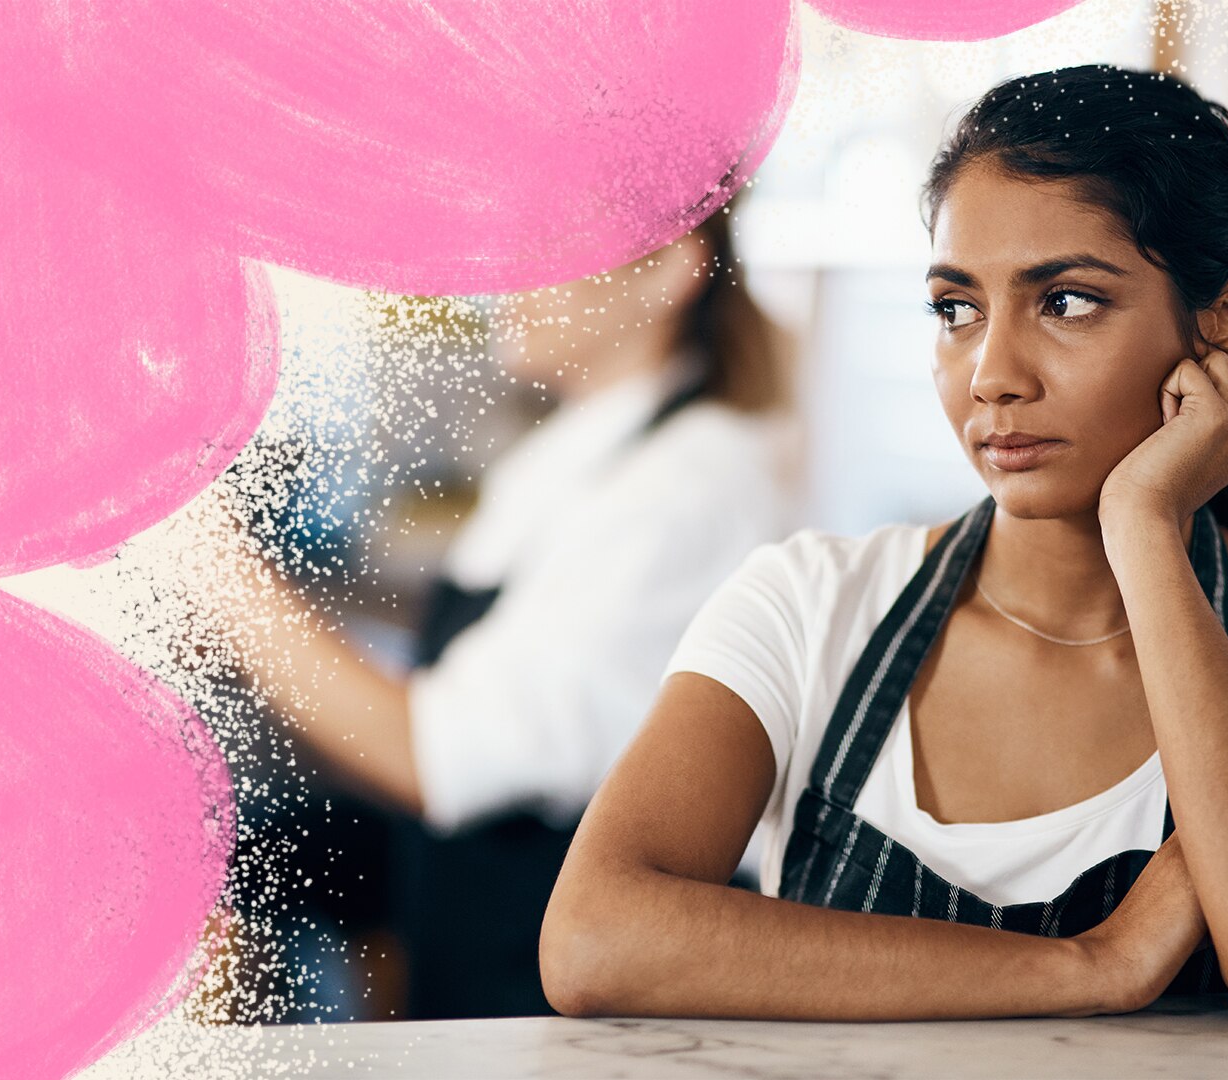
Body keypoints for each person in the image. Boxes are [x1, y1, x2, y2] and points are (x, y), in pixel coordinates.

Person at [537, 65, 1228, 1037]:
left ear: (1222, 316)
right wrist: (1097, 963)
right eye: (956, 310)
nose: (993, 375)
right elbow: (593, 940)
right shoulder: (807, 605)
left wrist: (1142, 528)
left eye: (1067, 302)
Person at [206, 202, 800, 1019]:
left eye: (550, 241)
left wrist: (201, 552)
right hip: (472, 946)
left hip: (555, 1000)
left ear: (667, 272)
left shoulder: (687, 488)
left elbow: (435, 759)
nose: (507, 275)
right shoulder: (576, 455)